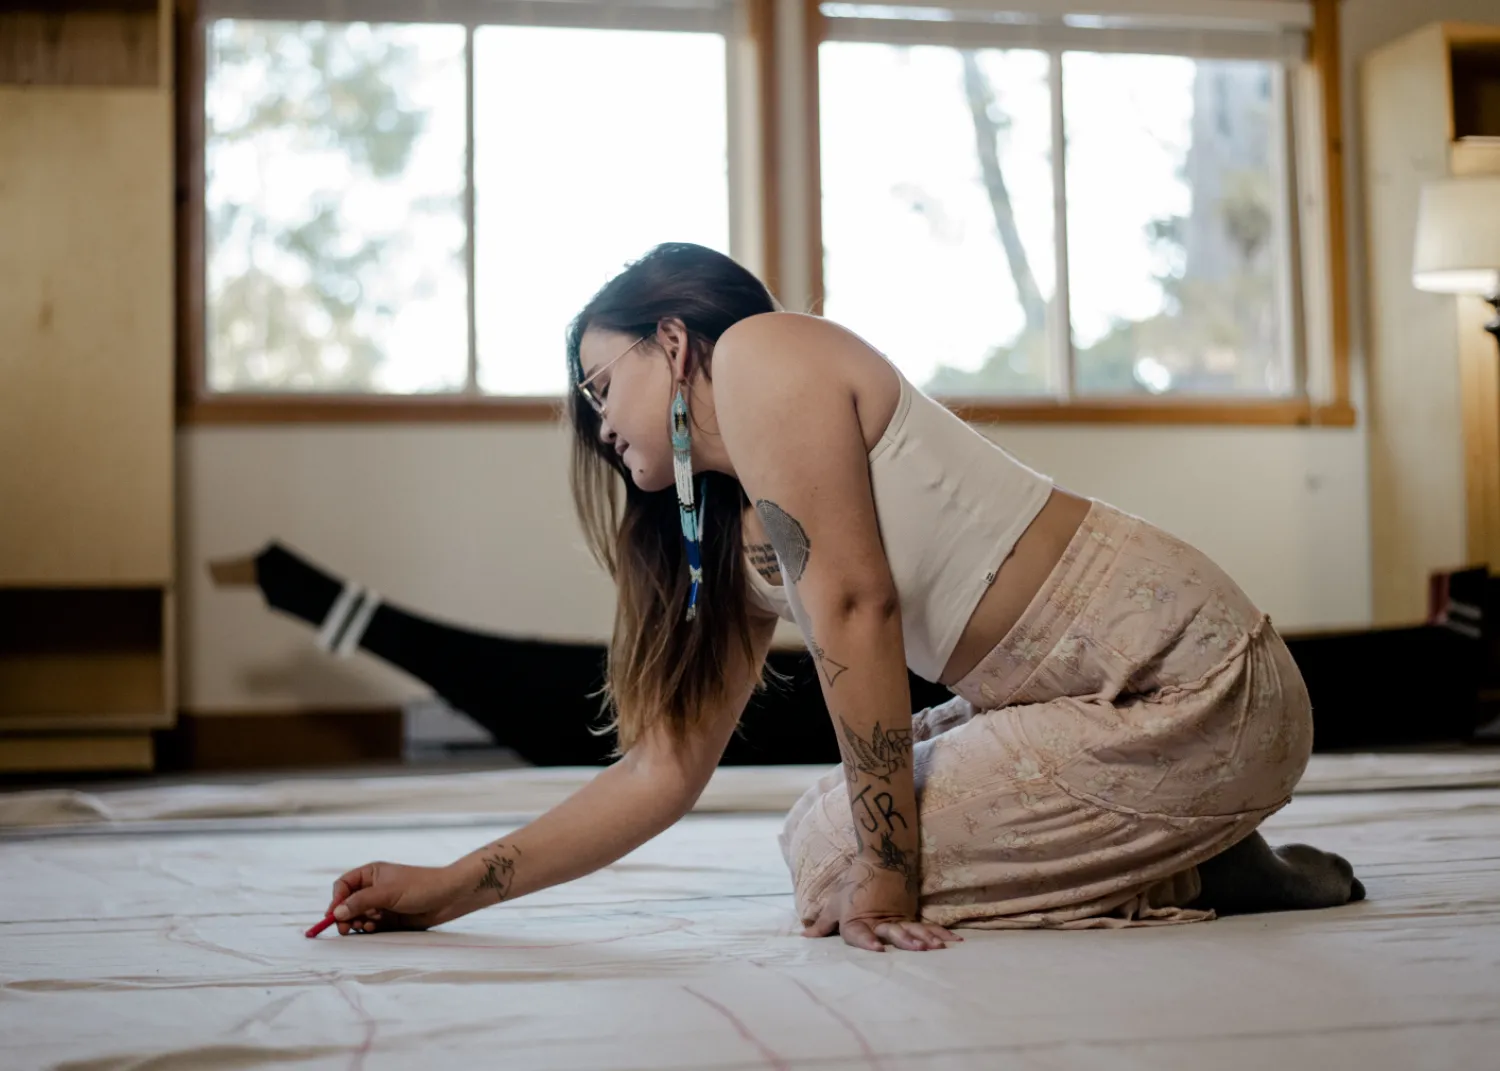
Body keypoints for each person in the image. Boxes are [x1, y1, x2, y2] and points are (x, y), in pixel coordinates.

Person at [322, 243, 1363, 952]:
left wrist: (890, 877)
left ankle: (1208, 866)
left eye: (601, 386)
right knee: (819, 825)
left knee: (843, 858)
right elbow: (663, 771)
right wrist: (446, 888)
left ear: (674, 343)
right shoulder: (735, 539)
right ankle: (1202, 848)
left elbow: (860, 610)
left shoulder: (765, 356)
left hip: (1196, 680)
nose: (597, 424)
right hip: (1088, 710)